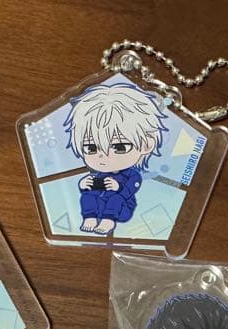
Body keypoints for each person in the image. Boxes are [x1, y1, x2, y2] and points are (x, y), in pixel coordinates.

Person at [64, 81, 168, 235]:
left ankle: (109, 221)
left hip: (122, 208)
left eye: (119, 147)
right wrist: (83, 185)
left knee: (116, 199)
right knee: (86, 196)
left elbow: (129, 191)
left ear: (146, 145)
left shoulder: (133, 175)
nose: (103, 155)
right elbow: (91, 190)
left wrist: (118, 187)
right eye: (91, 148)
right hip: (99, 206)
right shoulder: (99, 174)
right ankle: (89, 218)